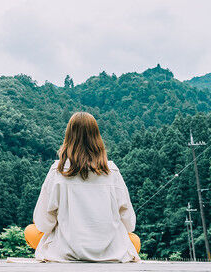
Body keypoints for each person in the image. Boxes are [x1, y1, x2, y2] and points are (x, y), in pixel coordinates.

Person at [24, 112, 141, 263]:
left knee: (30, 231)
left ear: (68, 137)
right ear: (97, 138)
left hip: (66, 251)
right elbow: (129, 223)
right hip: (111, 252)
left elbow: (44, 223)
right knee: (134, 240)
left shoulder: (58, 171)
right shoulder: (111, 170)